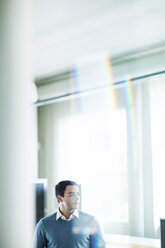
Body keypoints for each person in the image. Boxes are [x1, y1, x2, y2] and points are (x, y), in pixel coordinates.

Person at [34, 180, 106, 248]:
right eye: (72, 195)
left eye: (78, 194)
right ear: (60, 198)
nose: (77, 198)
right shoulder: (44, 224)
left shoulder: (91, 221)